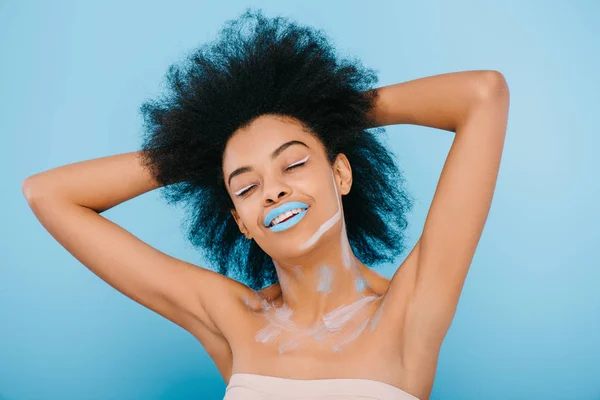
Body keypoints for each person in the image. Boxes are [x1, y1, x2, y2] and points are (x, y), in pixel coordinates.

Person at [22, 8, 510, 400]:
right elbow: (48, 195)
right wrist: (196, 151)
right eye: (247, 186)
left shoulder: (407, 311)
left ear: (340, 173)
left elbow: (482, 96)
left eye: (293, 164)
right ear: (240, 221)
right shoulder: (234, 319)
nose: (273, 190)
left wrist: (328, 109)